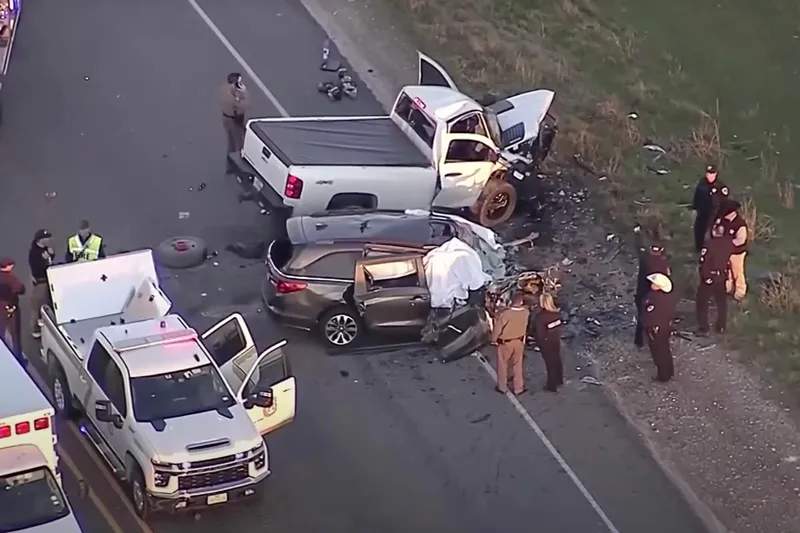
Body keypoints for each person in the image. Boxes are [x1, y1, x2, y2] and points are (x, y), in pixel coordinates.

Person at [633, 226, 671, 348]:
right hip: (656, 296)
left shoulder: (645, 260)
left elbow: (640, 249)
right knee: (656, 317)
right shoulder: (663, 264)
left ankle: (639, 340)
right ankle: (655, 337)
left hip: (641, 293)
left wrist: (637, 235)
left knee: (642, 317)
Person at [696, 224, 734, 334]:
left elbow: (704, 261)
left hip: (710, 276)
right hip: (722, 276)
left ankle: (703, 327)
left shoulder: (709, 244)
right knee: (721, 302)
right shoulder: (728, 244)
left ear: (714, 232)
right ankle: (721, 326)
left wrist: (705, 276)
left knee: (702, 302)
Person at [490, 292, 530, 395]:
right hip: (519, 341)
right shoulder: (526, 312)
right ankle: (518, 388)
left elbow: (498, 328)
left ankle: (502, 387)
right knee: (517, 365)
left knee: (503, 365)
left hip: (505, 343)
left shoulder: (506, 314)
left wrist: (493, 339)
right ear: (521, 302)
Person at [641, 273, 676, 382]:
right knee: (665, 349)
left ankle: (663, 375)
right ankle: (669, 371)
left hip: (655, 329)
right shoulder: (668, 297)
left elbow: (649, 314)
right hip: (665, 327)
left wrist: (646, 325)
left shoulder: (654, 298)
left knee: (658, 352)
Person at [690, 165, 729, 252]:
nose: (709, 176)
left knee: (711, 231)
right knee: (699, 230)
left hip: (714, 212)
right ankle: (699, 248)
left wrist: (722, 213)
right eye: (708, 173)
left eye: (711, 174)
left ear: (715, 174)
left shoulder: (720, 186)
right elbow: (697, 196)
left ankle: (711, 250)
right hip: (702, 211)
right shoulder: (702, 183)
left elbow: (725, 200)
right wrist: (695, 207)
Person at [715, 199, 748, 301]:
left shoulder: (740, 225)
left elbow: (741, 240)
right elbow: (716, 233)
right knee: (726, 270)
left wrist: (727, 244)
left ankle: (740, 292)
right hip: (725, 251)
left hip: (737, 253)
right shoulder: (722, 221)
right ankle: (728, 288)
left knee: (737, 272)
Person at [532, 293, 564, 392]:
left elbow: (539, 334)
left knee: (550, 364)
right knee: (557, 360)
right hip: (555, 340)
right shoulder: (557, 314)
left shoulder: (541, 317)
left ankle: (552, 386)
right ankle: (559, 379)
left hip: (546, 343)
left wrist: (538, 344)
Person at [220, 72, 249, 174]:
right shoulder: (233, 94)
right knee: (239, 143)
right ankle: (238, 166)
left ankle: (230, 165)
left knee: (231, 143)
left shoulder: (224, 90)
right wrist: (243, 93)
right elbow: (242, 106)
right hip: (234, 119)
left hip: (227, 118)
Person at [28, 230, 55, 339]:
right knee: (37, 305)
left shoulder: (45, 249)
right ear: (41, 239)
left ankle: (44, 323)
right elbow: (37, 268)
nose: (49, 240)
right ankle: (35, 329)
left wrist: (51, 255)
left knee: (48, 303)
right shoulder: (34, 252)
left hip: (48, 279)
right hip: (40, 281)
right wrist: (45, 259)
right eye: (47, 238)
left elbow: (49, 261)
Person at [0, 258, 26, 365]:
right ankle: (18, 359)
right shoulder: (10, 278)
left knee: (2, 333)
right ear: (6, 266)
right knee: (15, 335)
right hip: (11, 309)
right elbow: (21, 289)